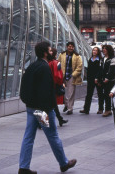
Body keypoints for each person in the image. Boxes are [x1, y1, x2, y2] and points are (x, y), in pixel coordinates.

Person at [19, 42, 76, 174]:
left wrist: (28, 102)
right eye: (50, 51)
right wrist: (48, 110)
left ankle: (23, 167)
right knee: (53, 136)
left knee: (28, 137)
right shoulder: (45, 68)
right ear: (45, 53)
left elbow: (24, 88)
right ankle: (63, 163)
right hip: (42, 111)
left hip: (31, 108)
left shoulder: (33, 66)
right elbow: (45, 92)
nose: (53, 53)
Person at [58, 42, 83, 115]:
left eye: (72, 46)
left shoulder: (77, 56)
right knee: (63, 92)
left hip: (71, 76)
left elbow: (79, 67)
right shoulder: (62, 55)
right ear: (67, 47)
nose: (71, 48)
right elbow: (58, 64)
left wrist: (73, 74)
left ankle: (70, 108)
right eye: (69, 46)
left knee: (70, 93)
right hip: (62, 76)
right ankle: (66, 104)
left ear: (74, 47)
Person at [48, 48, 68, 127]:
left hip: (47, 86)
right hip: (54, 86)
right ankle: (41, 123)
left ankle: (60, 119)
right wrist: (60, 83)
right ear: (55, 54)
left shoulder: (46, 62)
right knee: (51, 104)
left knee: (52, 104)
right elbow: (58, 76)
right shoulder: (56, 63)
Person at [80, 47, 102, 115]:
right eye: (93, 50)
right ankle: (86, 109)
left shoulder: (100, 60)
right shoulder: (91, 59)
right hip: (90, 79)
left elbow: (100, 70)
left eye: (96, 50)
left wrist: (97, 78)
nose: (94, 51)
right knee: (89, 94)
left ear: (98, 52)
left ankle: (100, 109)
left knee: (100, 94)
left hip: (97, 79)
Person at [97, 45, 115, 117]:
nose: (104, 50)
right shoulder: (102, 59)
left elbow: (111, 70)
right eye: (103, 49)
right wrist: (98, 79)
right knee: (103, 94)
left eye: (105, 49)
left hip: (110, 80)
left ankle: (108, 110)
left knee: (107, 93)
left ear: (109, 50)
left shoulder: (112, 59)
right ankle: (104, 109)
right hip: (103, 79)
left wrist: (107, 78)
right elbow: (99, 70)